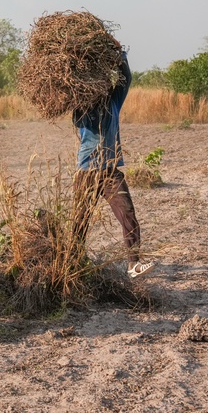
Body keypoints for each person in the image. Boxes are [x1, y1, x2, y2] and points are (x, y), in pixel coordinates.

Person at [70, 50, 156, 278]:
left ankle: (134, 264)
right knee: (80, 220)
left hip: (111, 172)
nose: (102, 85)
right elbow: (72, 98)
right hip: (87, 171)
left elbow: (125, 78)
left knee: (128, 215)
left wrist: (121, 55)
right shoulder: (82, 106)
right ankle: (73, 262)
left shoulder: (114, 101)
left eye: (104, 81)